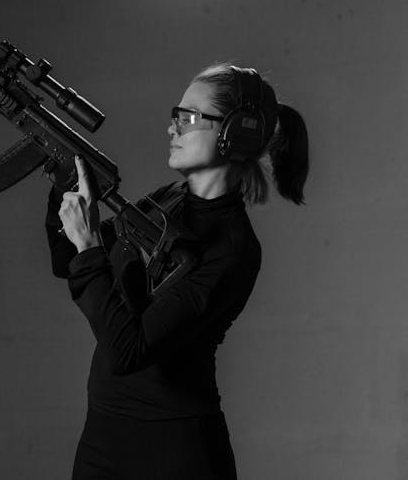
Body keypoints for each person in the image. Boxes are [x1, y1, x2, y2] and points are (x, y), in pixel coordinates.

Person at [45, 63, 309, 479]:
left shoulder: (232, 251)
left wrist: (90, 246)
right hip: (104, 438)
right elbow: (68, 262)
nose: (172, 129)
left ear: (234, 134)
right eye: (175, 116)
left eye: (188, 119)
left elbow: (127, 350)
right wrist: (63, 180)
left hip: (173, 454)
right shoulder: (168, 200)